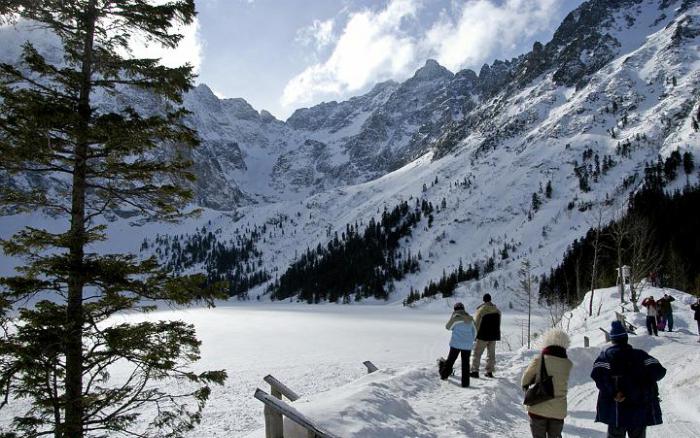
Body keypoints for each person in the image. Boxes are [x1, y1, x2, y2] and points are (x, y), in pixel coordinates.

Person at [591, 321, 666, 438]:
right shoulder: (641, 356)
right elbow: (660, 372)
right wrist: (643, 382)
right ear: (626, 338)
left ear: (612, 340)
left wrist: (614, 393)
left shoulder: (605, 357)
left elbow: (598, 376)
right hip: (638, 410)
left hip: (615, 411)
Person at [521, 329, 573, 438]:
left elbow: (525, 380)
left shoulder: (539, 360)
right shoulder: (568, 364)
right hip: (558, 410)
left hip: (538, 407)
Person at [440, 302, 476, 387]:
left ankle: (444, 376)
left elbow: (448, 327)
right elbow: (475, 332)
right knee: (465, 363)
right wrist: (470, 340)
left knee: (451, 360)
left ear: (455, 310)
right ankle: (465, 383)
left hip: (456, 344)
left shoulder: (455, 319)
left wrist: (452, 317)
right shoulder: (470, 319)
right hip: (467, 345)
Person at [470, 293, 501, 378]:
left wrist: (474, 335)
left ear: (483, 300)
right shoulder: (497, 310)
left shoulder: (481, 310)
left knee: (477, 353)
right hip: (494, 335)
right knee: (491, 354)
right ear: (490, 299)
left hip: (483, 335)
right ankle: (489, 372)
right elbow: (499, 323)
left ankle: (475, 371)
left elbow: (476, 324)